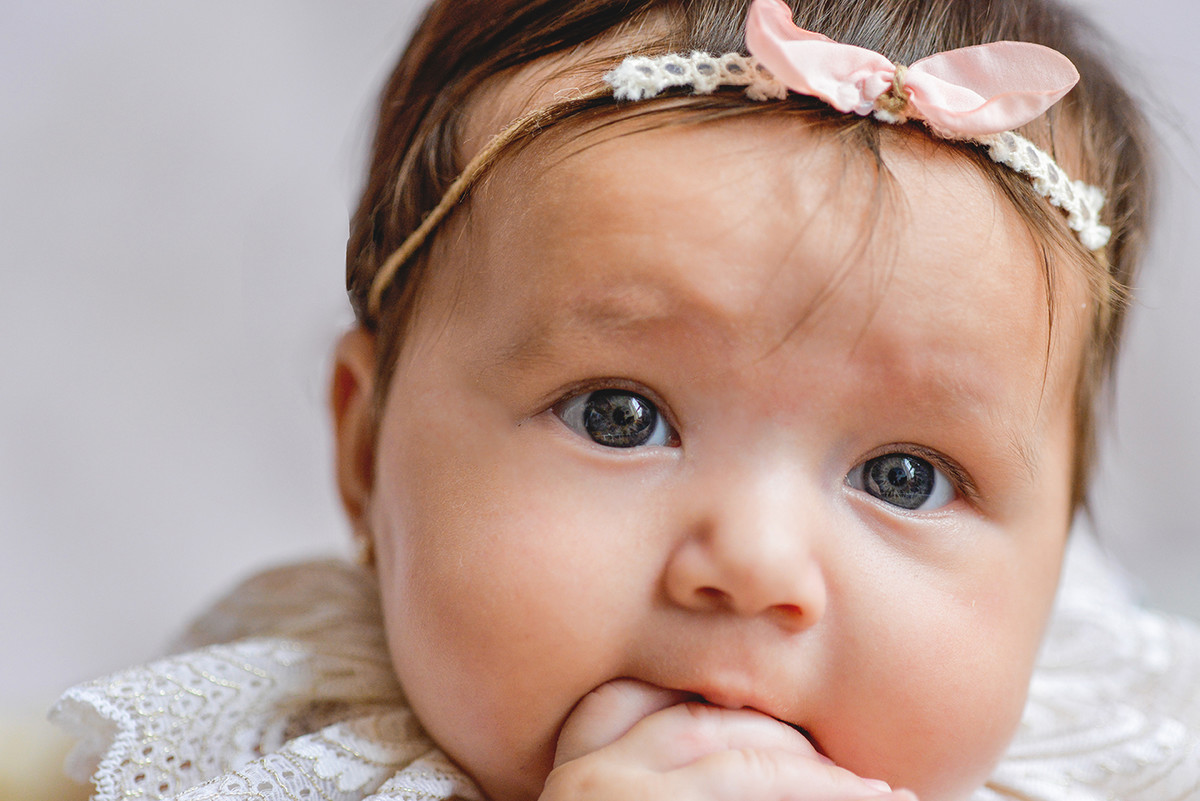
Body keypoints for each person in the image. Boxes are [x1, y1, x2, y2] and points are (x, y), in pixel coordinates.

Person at [49, 0, 1200, 800]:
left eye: (905, 477)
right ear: (364, 452)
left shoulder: (1113, 763)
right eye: (619, 415)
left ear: (1055, 570)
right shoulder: (263, 758)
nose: (750, 564)